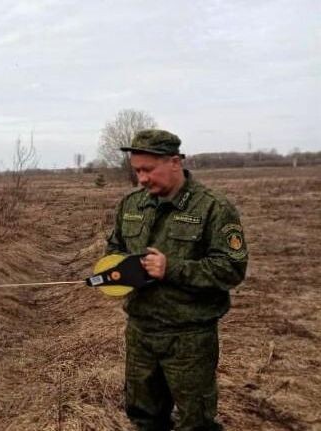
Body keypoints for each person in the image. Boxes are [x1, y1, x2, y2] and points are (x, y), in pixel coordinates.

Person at [106, 129, 248, 430]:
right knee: (144, 418)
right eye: (136, 171)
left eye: (148, 170)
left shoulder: (213, 208)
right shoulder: (130, 206)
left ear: (174, 162)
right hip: (140, 333)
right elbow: (115, 250)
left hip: (189, 339)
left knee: (195, 422)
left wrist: (171, 268)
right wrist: (119, 271)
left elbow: (231, 269)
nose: (141, 178)